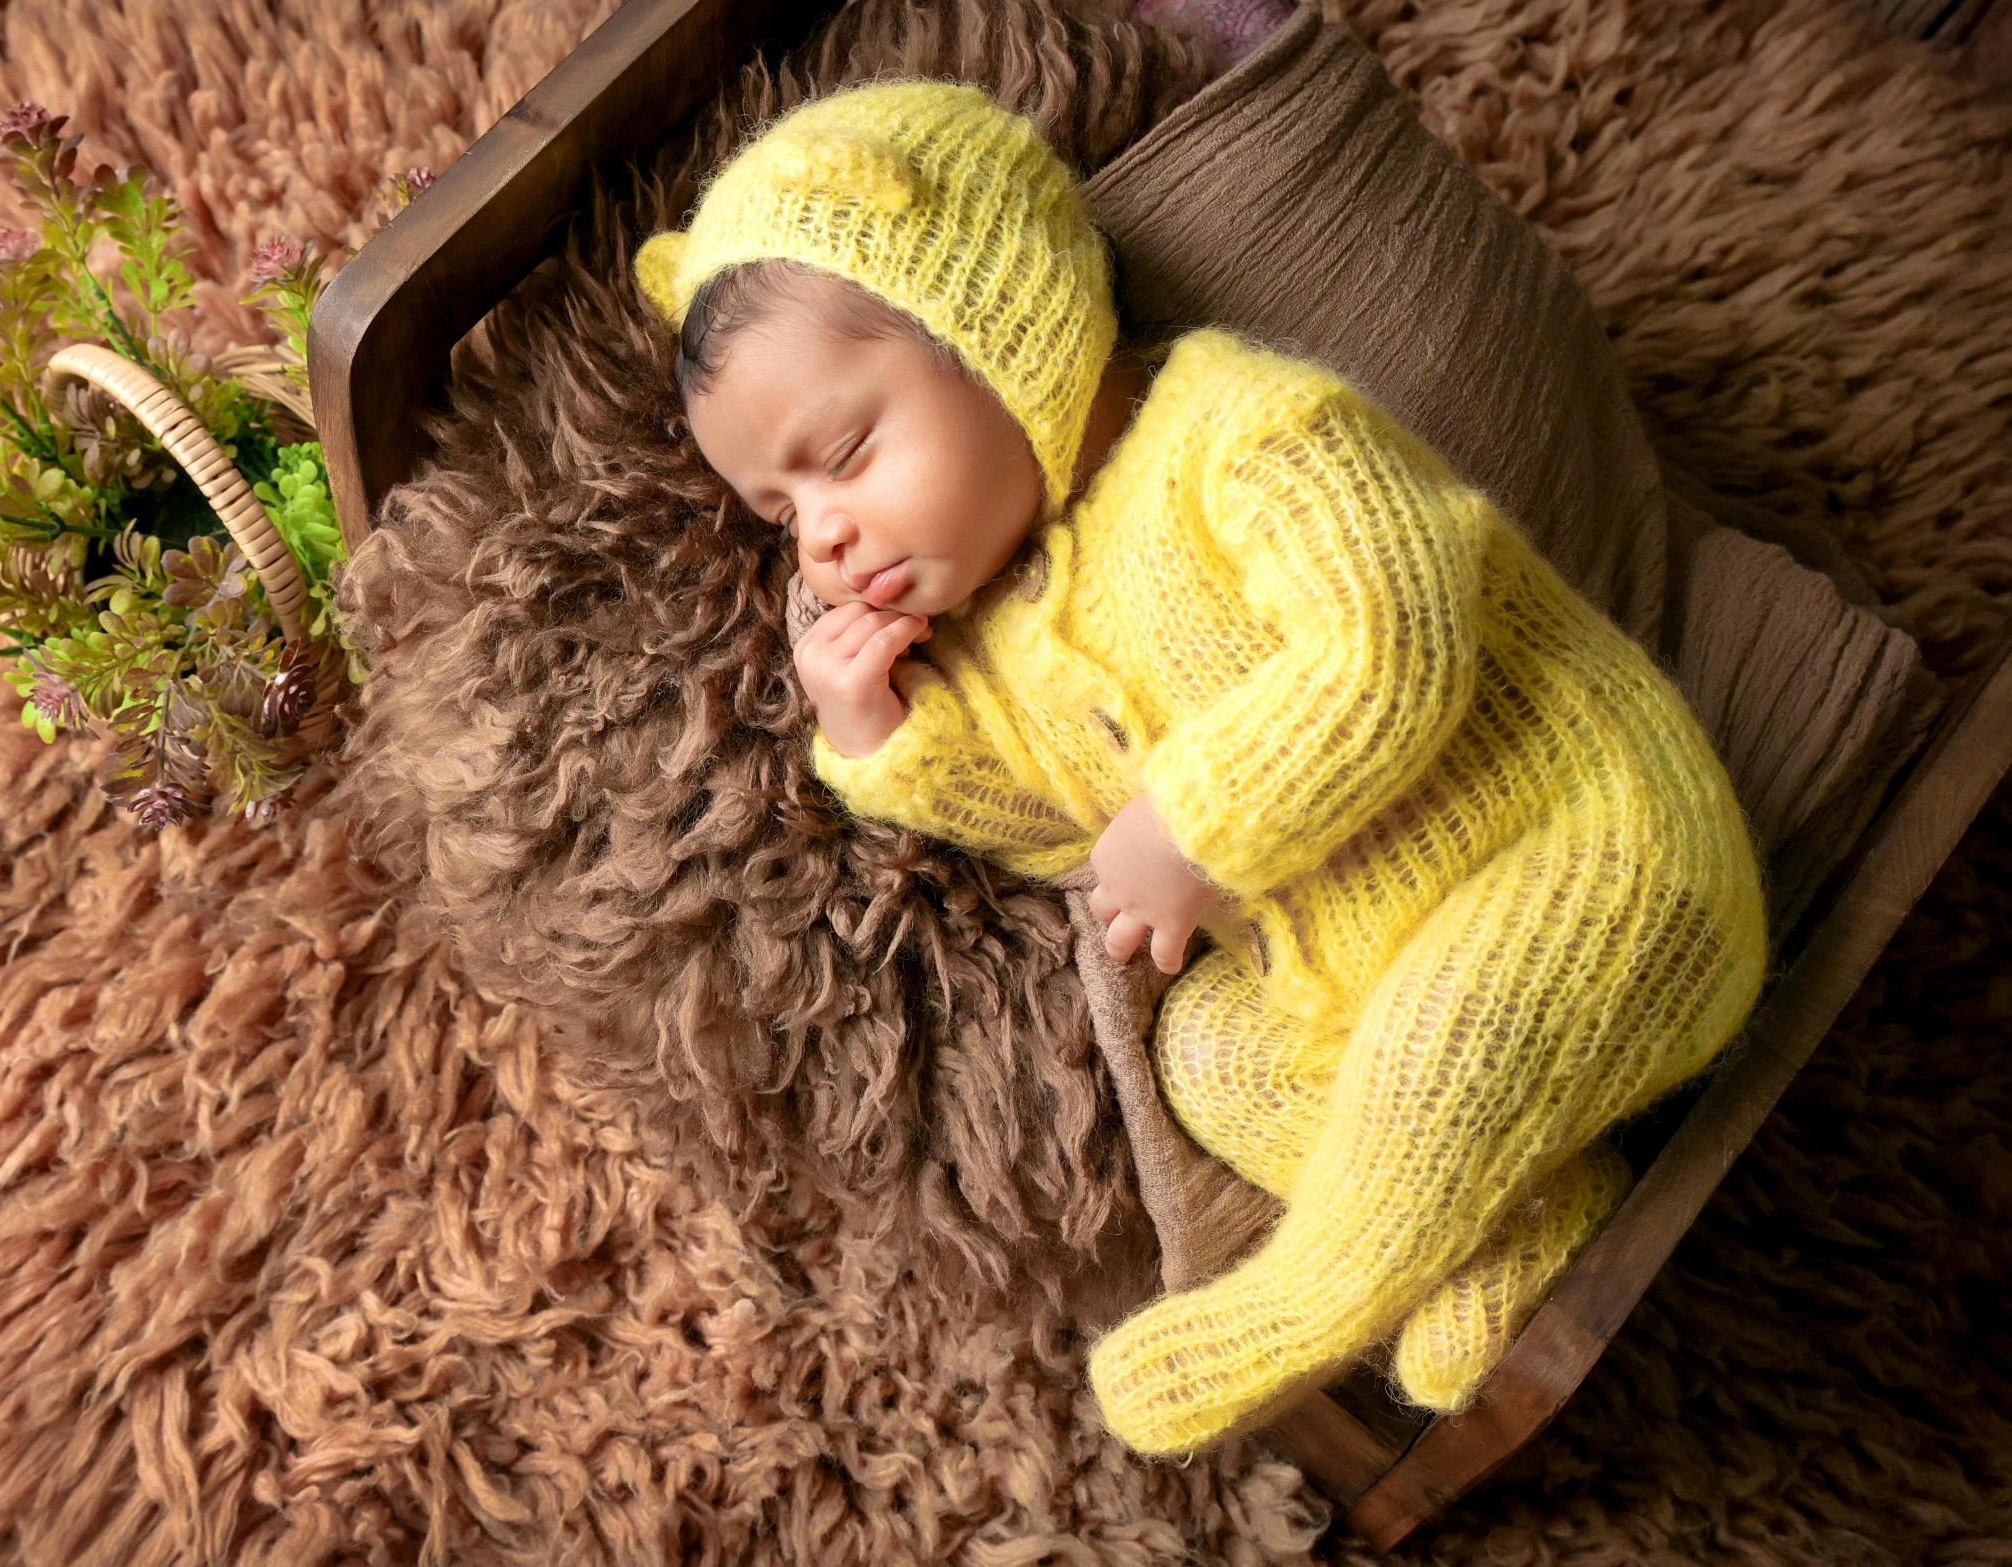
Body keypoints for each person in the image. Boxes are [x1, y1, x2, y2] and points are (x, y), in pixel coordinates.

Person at [633, 79, 1768, 1456]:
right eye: (779, 510)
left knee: (1447, 1038)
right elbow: (1077, 840)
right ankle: (1509, 1215)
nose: (817, 534)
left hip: (1591, 859)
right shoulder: (993, 642)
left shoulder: (1241, 427)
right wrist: (888, 738)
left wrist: (1193, 818)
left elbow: (1390, 641)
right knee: (1208, 1052)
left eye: (846, 454)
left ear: (1005, 331)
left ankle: (1300, 1301)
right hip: (1348, 983)